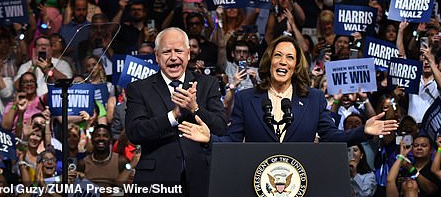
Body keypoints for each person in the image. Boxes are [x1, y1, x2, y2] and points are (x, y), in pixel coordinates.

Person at [178, 35, 398, 144]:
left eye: (290, 57)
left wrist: (363, 131)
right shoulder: (247, 98)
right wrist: (210, 139)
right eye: (278, 56)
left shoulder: (314, 98)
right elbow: (233, 141)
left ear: (296, 66)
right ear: (269, 61)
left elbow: (331, 137)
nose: (283, 62)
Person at [125, 27, 227, 197]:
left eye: (178, 51)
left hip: (200, 180)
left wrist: (195, 108)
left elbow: (221, 127)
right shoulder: (139, 88)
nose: (173, 57)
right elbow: (135, 132)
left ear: (188, 54)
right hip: (156, 182)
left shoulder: (207, 84)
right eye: (166, 52)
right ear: (157, 56)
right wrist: (174, 115)